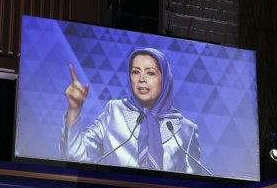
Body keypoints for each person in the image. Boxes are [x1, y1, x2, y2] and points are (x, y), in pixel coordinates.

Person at [59, 47, 206, 175]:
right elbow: (74, 156)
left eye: (150, 73)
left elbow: (196, 186)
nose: (141, 79)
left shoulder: (187, 130)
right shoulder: (114, 112)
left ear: (165, 79)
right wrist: (74, 110)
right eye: (135, 72)